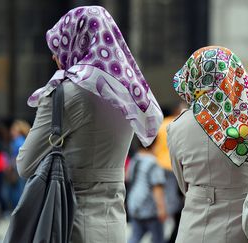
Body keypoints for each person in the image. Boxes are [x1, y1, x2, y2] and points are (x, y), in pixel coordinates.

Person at [16, 6, 163, 243]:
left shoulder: (69, 93)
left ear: (76, 41)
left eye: (58, 48)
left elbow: (24, 164)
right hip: (114, 222)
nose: (55, 57)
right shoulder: (127, 93)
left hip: (71, 223)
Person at [167, 46, 248, 243]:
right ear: (234, 74)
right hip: (242, 229)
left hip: (193, 228)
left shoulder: (177, 126)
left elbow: (183, 183)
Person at [153, 103, 186, 243]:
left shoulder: (162, 125)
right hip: (172, 166)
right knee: (175, 195)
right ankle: (173, 214)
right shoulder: (177, 124)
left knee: (164, 191)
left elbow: (154, 146)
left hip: (160, 164)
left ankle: (168, 212)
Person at [126, 141, 167, 243]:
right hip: (150, 208)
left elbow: (127, 177)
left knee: (135, 236)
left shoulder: (135, 159)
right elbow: (157, 187)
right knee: (158, 239)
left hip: (134, 204)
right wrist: (161, 209)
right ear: (155, 143)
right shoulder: (153, 162)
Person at [6, 120, 30, 208]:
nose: (11, 132)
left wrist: (10, 165)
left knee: (18, 190)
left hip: (17, 169)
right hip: (20, 168)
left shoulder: (18, 141)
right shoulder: (22, 140)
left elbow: (17, 156)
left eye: (14, 130)